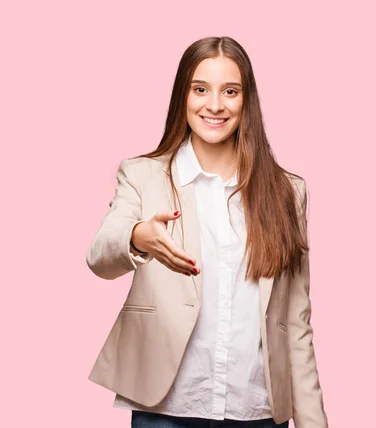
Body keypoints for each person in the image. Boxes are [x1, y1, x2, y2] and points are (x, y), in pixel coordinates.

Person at [85, 36, 328, 428]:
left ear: (246, 100)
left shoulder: (287, 192)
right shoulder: (142, 174)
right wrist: (137, 236)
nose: (214, 105)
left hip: (258, 411)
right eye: (201, 89)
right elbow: (99, 256)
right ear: (183, 95)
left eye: (230, 91)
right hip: (166, 409)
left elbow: (295, 324)